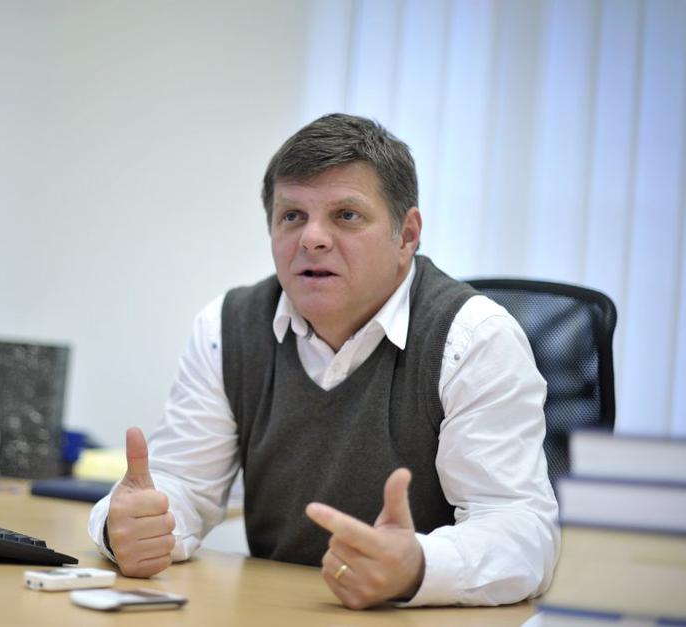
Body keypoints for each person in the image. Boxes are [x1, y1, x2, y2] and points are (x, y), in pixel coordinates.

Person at [88, 113, 559, 609]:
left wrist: (418, 566)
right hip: (274, 612)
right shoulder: (227, 329)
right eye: (292, 216)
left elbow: (519, 529)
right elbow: (183, 485)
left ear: (406, 235)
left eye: (346, 215)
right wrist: (126, 527)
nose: (312, 238)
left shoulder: (474, 338)